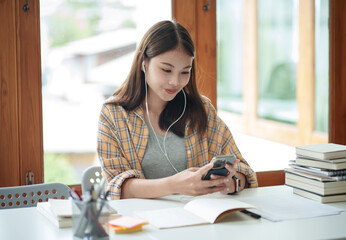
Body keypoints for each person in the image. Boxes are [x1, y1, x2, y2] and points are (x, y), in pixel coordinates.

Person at [97, 20, 258, 200]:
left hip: (198, 218)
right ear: (144, 62)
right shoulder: (114, 114)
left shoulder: (202, 109)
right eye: (166, 70)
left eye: (184, 72)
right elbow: (115, 186)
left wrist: (232, 183)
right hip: (140, 222)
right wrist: (174, 185)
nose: (175, 81)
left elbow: (243, 170)